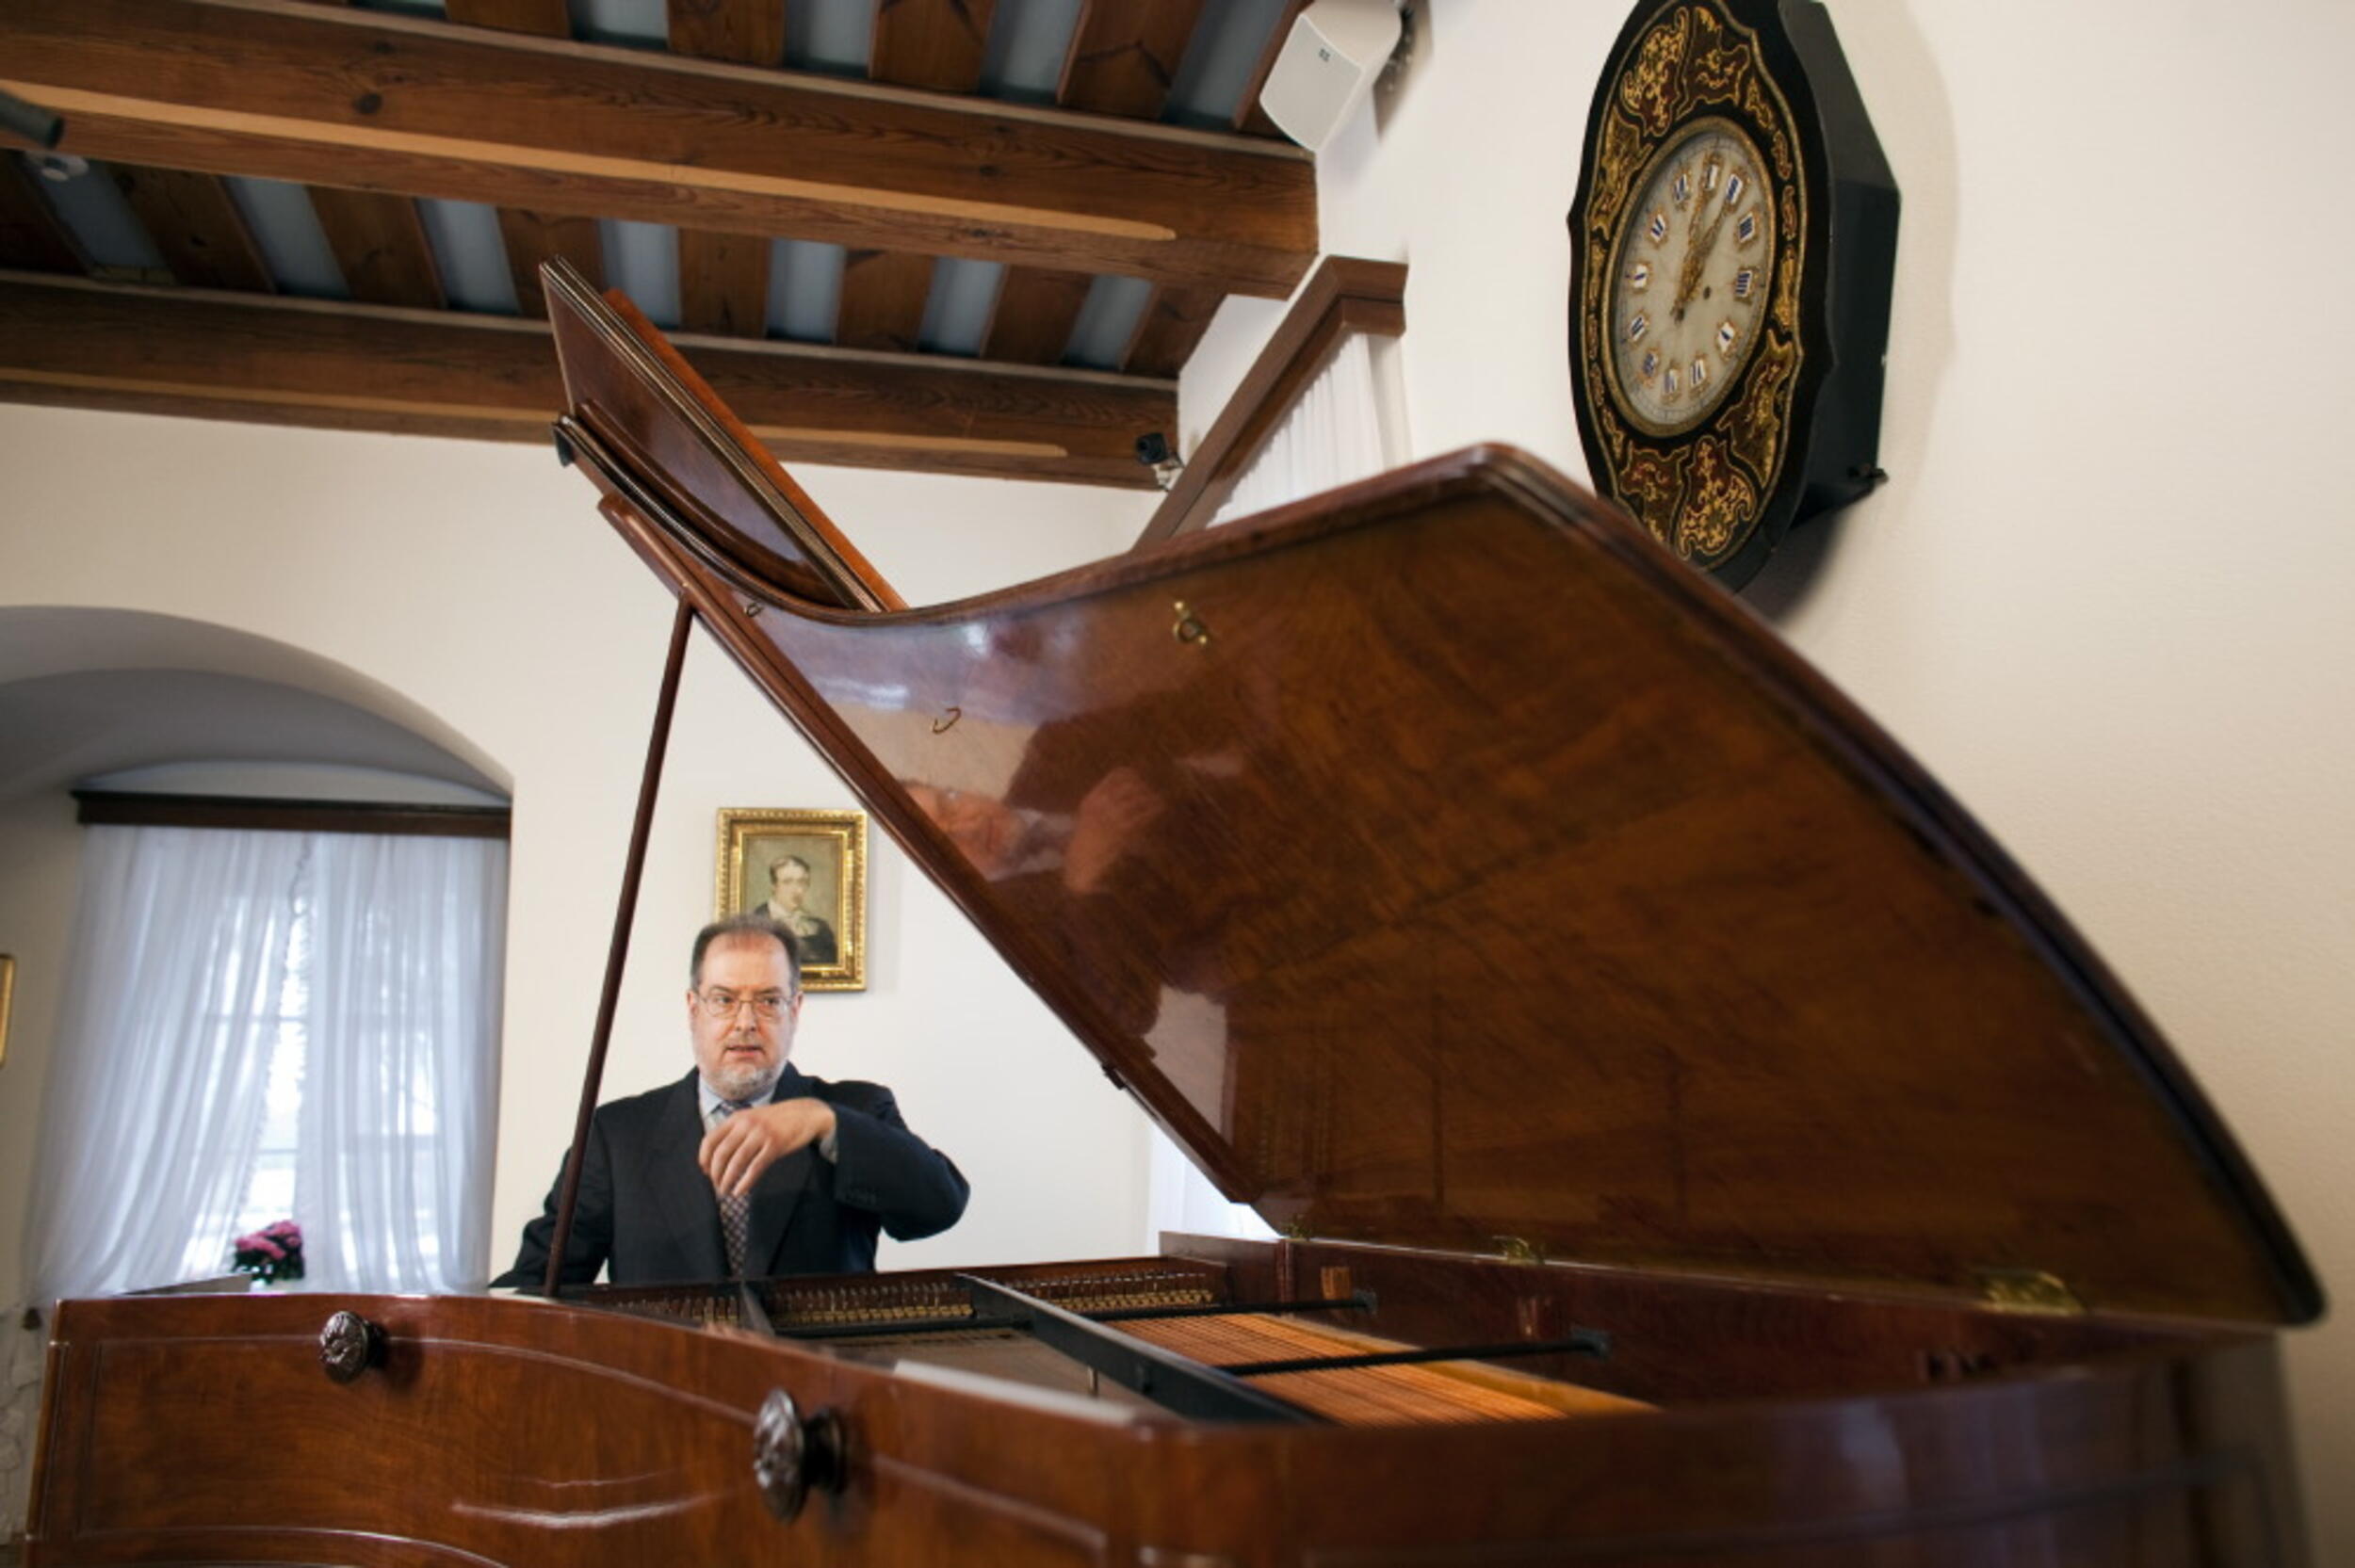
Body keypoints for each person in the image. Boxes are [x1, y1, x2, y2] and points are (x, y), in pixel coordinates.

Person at [496, 913, 966, 1289]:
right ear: (693, 1009)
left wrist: (823, 1121)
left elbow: (939, 1206)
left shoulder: (857, 1109)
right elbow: (540, 1282)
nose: (745, 1022)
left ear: (795, 1010)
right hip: (665, 1376)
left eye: (768, 1001)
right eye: (724, 999)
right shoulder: (616, 1134)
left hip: (820, 1377)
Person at [755, 853, 839, 966]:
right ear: (774, 886)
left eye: (802, 882)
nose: (796, 890)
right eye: (787, 882)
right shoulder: (754, 924)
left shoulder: (820, 928)